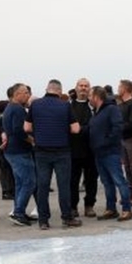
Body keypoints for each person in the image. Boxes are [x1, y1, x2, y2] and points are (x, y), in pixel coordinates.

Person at [25, 79, 82, 230]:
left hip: (41, 151)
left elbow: (27, 127)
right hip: (62, 151)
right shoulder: (65, 105)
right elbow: (76, 129)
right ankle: (67, 218)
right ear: (59, 91)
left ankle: (43, 221)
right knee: (64, 186)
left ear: (47, 89)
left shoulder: (35, 105)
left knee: (42, 186)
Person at [88, 86, 132, 222]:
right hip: (99, 153)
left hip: (110, 152)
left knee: (119, 181)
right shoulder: (97, 112)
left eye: (90, 95)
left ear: (96, 96)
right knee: (107, 182)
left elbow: (117, 128)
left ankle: (127, 209)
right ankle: (111, 208)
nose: (89, 98)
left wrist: (106, 142)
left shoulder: (111, 109)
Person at [3, 83, 36, 226]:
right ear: (18, 94)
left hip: (12, 150)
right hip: (19, 151)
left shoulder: (10, 108)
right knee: (29, 181)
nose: (28, 95)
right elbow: (18, 130)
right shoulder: (17, 109)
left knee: (20, 183)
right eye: (26, 93)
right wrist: (31, 140)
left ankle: (19, 210)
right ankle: (18, 212)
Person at [70, 78, 98, 218]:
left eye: (86, 86)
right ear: (76, 88)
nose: (83, 88)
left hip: (91, 150)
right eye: (81, 85)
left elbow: (96, 126)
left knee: (91, 180)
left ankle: (89, 206)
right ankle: (73, 207)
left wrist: (80, 129)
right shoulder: (68, 106)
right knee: (73, 181)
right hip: (73, 151)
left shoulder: (94, 106)